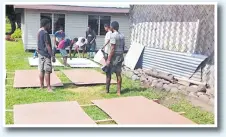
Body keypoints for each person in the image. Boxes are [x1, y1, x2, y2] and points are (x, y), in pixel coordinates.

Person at [104, 21, 125, 96]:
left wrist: (109, 59)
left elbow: (112, 49)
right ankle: (118, 91)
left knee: (108, 73)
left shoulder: (113, 35)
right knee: (118, 74)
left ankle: (107, 90)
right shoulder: (122, 35)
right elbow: (123, 47)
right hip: (120, 56)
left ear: (112, 27)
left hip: (114, 56)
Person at [37, 18, 56, 92]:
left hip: (40, 53)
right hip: (46, 54)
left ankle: (41, 86)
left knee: (41, 70)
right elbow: (47, 45)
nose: (50, 25)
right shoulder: (45, 33)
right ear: (46, 24)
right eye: (49, 24)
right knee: (47, 71)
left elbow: (38, 41)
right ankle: (48, 87)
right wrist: (52, 55)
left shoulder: (39, 31)